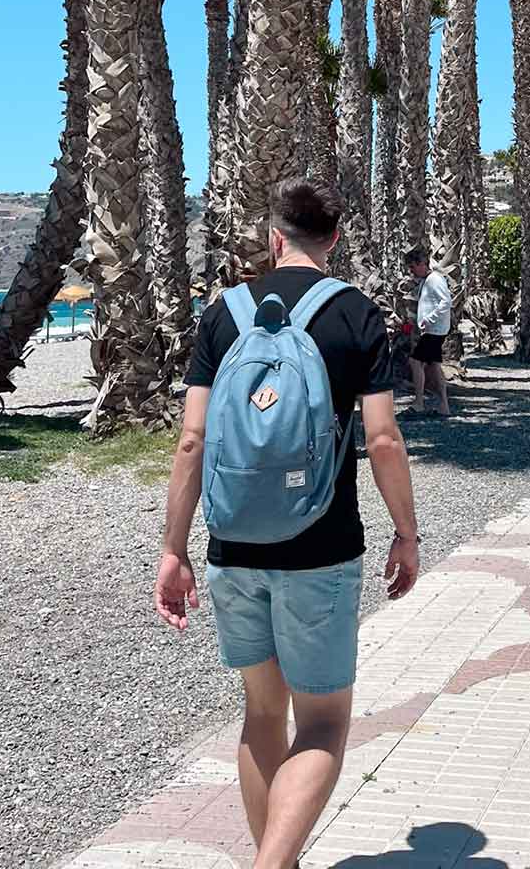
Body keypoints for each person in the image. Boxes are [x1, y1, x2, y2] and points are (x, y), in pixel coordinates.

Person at [154, 177, 420, 869]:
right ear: (334, 238)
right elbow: (384, 439)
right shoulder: (357, 315)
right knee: (325, 720)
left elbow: (192, 441)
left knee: (262, 715)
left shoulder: (223, 315)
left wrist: (173, 550)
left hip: (233, 544)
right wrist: (407, 533)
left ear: (275, 238)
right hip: (322, 546)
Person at [405, 247, 452, 419]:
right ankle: (443, 406)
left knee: (415, 362)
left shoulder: (434, 280)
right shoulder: (427, 280)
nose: (411, 271)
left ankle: (419, 403)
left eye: (412, 267)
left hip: (434, 331)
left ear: (421, 264)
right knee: (434, 367)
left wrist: (428, 320)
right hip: (432, 331)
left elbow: (445, 302)